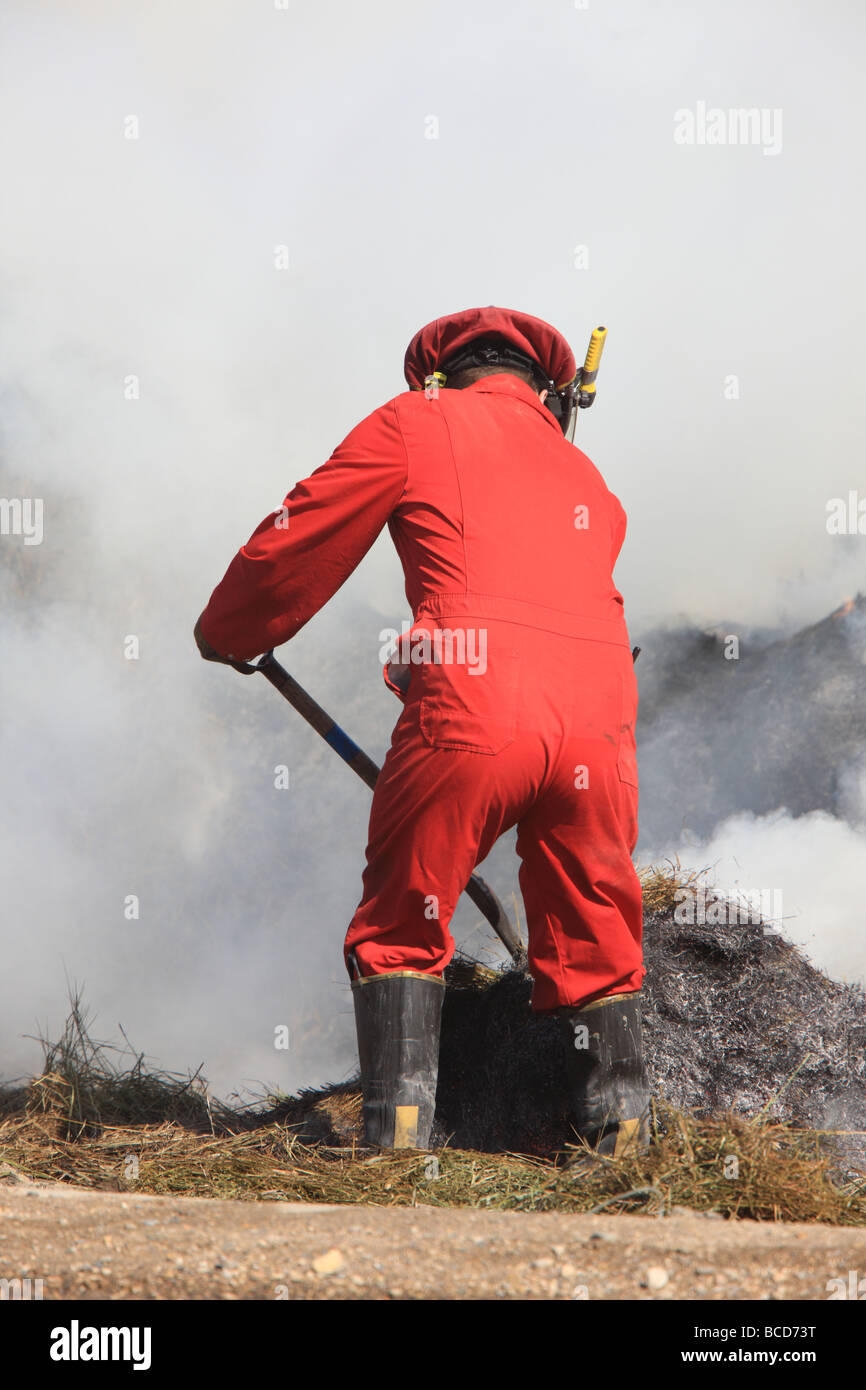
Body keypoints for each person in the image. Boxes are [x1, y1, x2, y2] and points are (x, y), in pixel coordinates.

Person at [195, 306, 650, 1156]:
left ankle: (397, 1145)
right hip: (602, 725)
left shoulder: (417, 419)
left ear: (440, 373)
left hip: (475, 709)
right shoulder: (587, 478)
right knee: (596, 930)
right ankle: (624, 1147)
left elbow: (301, 533)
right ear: (545, 388)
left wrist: (231, 629)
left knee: (408, 915)